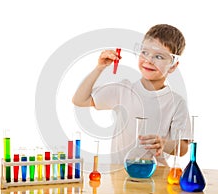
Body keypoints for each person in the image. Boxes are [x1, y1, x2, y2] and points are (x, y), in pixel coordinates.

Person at [72, 24, 192, 165]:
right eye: (145, 53)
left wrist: (164, 143)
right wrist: (100, 67)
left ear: (173, 65)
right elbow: (80, 100)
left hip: (156, 175)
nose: (149, 60)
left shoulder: (176, 102)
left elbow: (183, 148)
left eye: (159, 56)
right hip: (119, 174)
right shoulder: (123, 90)